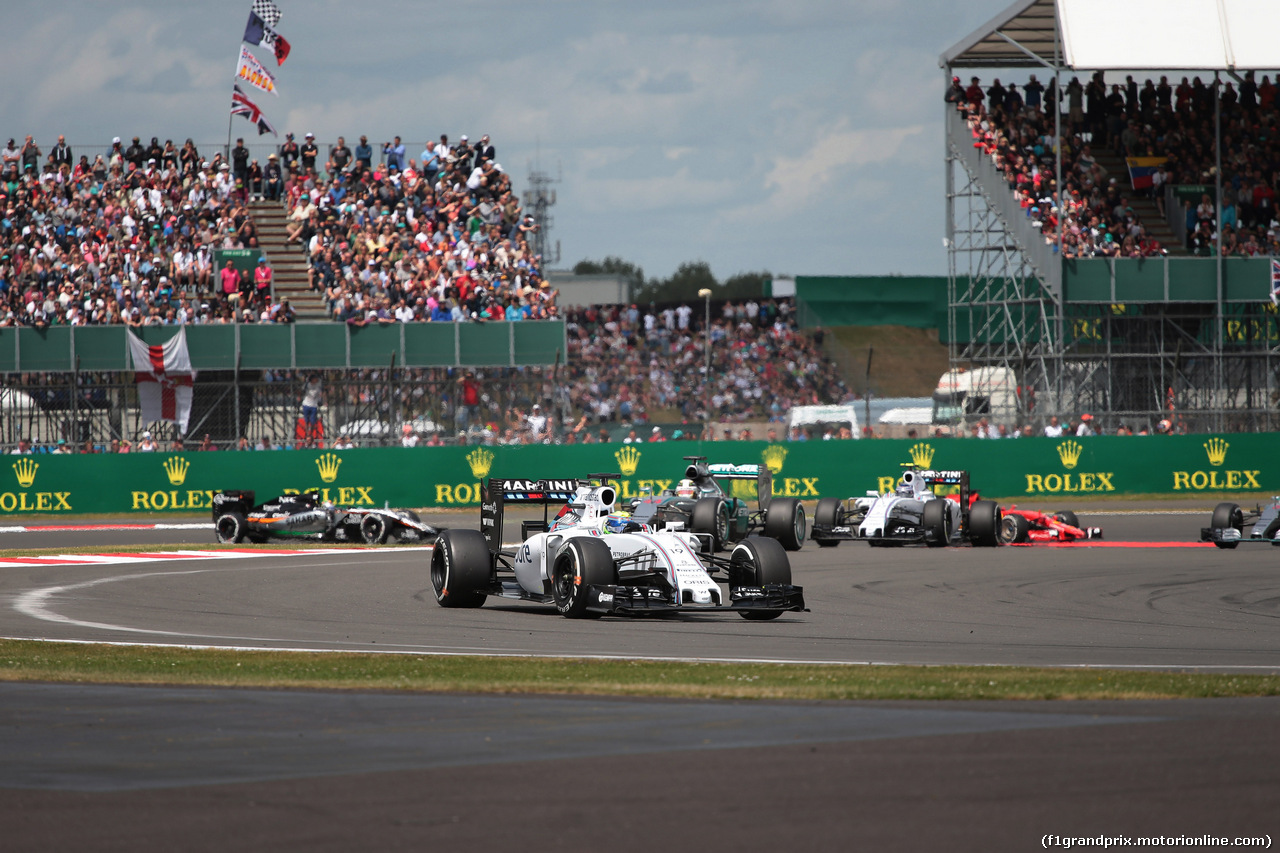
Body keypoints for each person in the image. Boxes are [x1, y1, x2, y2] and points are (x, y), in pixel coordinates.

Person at [300, 374, 323, 445]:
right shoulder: (308, 385)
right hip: (306, 404)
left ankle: (311, 433)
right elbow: (302, 389)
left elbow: (320, 393)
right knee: (306, 420)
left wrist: (320, 400)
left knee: (313, 421)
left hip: (314, 405)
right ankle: (307, 434)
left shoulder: (318, 385)